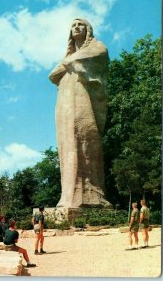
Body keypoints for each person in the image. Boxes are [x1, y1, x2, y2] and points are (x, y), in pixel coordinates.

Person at [49, 18, 112, 209]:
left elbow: (101, 55)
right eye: (73, 26)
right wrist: (69, 62)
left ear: (88, 30)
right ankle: (69, 196)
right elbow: (52, 76)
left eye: (80, 25)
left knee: (86, 138)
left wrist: (69, 62)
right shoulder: (69, 57)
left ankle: (92, 195)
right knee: (67, 145)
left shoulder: (96, 47)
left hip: (83, 99)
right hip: (65, 101)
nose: (76, 28)